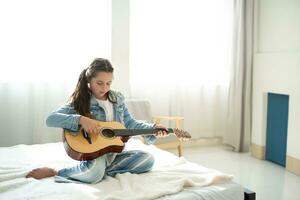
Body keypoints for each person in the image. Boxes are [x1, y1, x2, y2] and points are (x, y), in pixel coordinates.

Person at [26, 58, 168, 184]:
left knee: (147, 159)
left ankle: (98, 171)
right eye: (99, 83)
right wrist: (81, 120)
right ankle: (57, 171)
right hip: (94, 154)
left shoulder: (117, 99)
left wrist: (153, 128)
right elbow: (51, 119)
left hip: (114, 154)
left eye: (108, 83)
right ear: (89, 81)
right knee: (94, 174)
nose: (104, 88)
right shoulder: (81, 100)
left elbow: (130, 123)